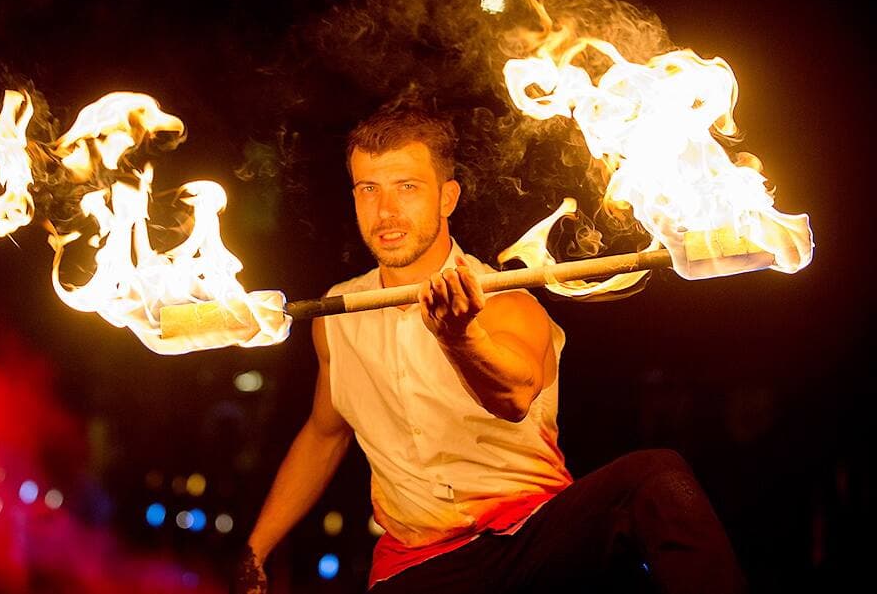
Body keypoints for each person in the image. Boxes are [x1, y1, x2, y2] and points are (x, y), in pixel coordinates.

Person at [232, 106, 747, 593]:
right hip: (421, 564)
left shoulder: (506, 300)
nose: (385, 210)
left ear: (447, 198)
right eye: (368, 188)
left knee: (654, 475)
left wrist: (460, 336)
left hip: (533, 542)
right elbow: (324, 435)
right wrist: (257, 547)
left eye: (407, 187)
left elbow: (513, 397)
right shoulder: (338, 312)